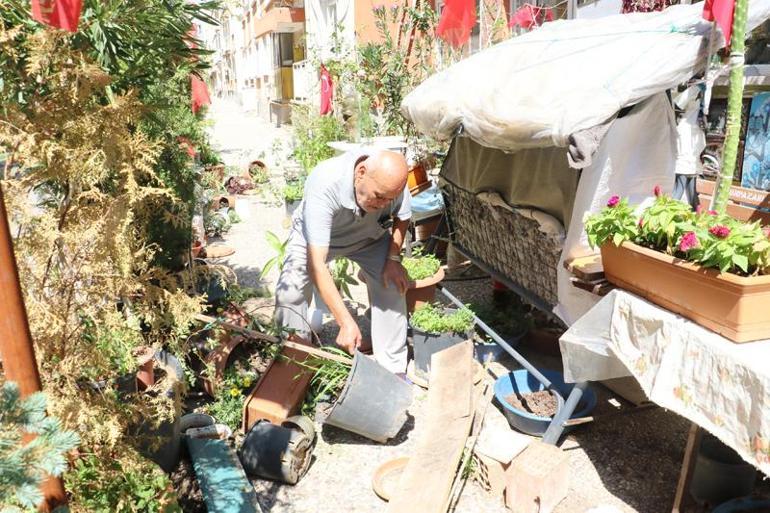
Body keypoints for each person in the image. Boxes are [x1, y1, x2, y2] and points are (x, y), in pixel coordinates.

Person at [274, 149, 412, 375]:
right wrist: (346, 322)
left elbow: (403, 216)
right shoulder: (325, 181)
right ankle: (294, 362)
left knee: (393, 283)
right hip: (314, 239)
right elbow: (317, 264)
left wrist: (393, 259)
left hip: (368, 238)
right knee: (290, 293)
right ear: (361, 173)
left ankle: (392, 368)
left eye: (390, 199)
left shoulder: (392, 184)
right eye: (379, 196)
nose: (383, 204)